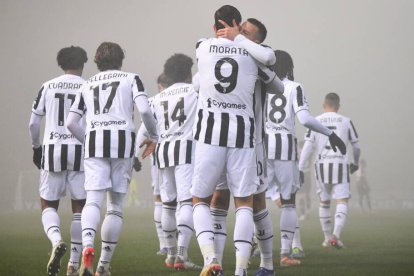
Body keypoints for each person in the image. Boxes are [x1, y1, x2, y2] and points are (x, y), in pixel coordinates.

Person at [191, 5, 281, 276]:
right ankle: (232, 266)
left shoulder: (204, 47)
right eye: (239, 29)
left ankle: (226, 261)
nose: (239, 34)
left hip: (222, 136)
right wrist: (241, 43)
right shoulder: (254, 58)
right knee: (233, 201)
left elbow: (276, 84)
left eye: (245, 33)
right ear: (234, 24)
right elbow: (274, 70)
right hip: (243, 135)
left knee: (213, 200)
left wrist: (237, 40)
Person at [66, 42, 158, 276]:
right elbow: (145, 111)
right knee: (115, 207)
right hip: (123, 142)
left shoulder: (87, 85)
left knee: (93, 202)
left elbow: (70, 123)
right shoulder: (131, 78)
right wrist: (154, 136)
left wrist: (87, 140)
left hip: (95, 142)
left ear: (97, 61)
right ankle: (103, 266)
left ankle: (87, 246)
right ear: (120, 59)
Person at [265, 51, 346, 266]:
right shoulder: (294, 87)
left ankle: (259, 253)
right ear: (289, 67)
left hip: (260, 149)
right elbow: (305, 119)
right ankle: (285, 254)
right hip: (284, 149)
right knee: (289, 203)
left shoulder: (260, 85)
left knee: (255, 203)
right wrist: (331, 134)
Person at [29, 46, 88, 276]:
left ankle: (56, 241)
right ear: (83, 64)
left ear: (60, 64)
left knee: (48, 203)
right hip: (80, 150)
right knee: (80, 207)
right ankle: (74, 264)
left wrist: (36, 148)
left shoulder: (47, 85)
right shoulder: (87, 86)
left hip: (52, 149)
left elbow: (33, 124)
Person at [150, 53, 201, 270]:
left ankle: (170, 254)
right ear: (188, 73)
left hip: (163, 152)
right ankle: (181, 255)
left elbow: (147, 126)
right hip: (185, 150)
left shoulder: (157, 97)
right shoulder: (194, 92)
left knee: (168, 205)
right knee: (186, 203)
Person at [299, 92, 360, 249]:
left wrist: (300, 167)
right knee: (342, 200)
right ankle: (336, 236)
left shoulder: (315, 121)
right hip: (340, 165)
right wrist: (356, 162)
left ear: (323, 104)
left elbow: (307, 146)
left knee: (324, 202)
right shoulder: (346, 121)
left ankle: (327, 238)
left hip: (321, 166)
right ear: (338, 106)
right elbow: (356, 145)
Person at [134, 73, 172, 256]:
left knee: (160, 198)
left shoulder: (154, 101)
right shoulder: (184, 95)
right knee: (181, 201)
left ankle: (164, 244)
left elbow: (143, 131)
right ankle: (178, 245)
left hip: (158, 155)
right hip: (182, 154)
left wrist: (133, 154)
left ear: (159, 86)